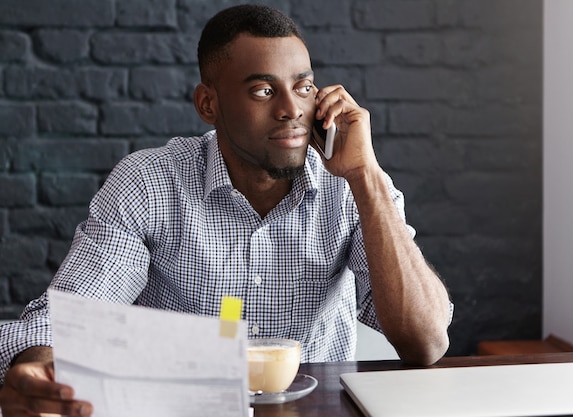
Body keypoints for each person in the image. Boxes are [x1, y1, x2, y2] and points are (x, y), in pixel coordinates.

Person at [0, 4, 452, 416]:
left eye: (304, 86)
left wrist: (365, 177)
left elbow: (426, 343)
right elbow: (68, 321)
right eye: (262, 90)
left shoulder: (353, 188)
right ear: (208, 104)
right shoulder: (150, 184)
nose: (290, 109)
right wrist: (39, 367)